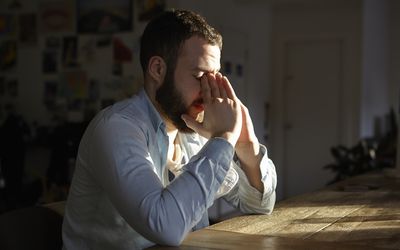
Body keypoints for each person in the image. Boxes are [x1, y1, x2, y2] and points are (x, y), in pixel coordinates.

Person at [62, 9, 277, 249]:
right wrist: (224, 139)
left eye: (214, 77)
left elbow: (259, 205)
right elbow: (165, 227)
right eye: (199, 76)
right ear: (157, 69)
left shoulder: (193, 129)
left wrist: (247, 147)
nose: (209, 91)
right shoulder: (116, 129)